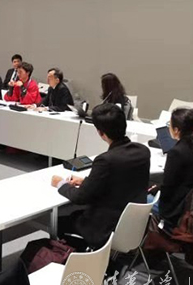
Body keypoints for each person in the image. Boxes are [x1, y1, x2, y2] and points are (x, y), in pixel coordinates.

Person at [51, 103, 150, 249]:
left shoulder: (105, 160)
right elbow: (121, 180)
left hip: (104, 227)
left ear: (100, 132)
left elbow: (80, 198)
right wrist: (86, 181)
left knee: (58, 222)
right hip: (133, 225)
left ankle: (76, 255)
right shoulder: (143, 151)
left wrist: (61, 184)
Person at [155, 109, 193, 229]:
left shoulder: (176, 152)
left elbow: (168, 187)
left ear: (176, 130)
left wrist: (156, 190)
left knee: (141, 200)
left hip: (179, 210)